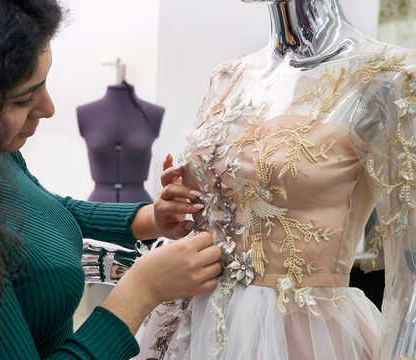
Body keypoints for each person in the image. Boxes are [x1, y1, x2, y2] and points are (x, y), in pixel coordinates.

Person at [0, 0, 222, 359]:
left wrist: (148, 219)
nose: (49, 108)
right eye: (24, 99)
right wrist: (139, 292)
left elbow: (40, 206)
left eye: (44, 83)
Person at [136, 0, 416, 359]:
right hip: (193, 324)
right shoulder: (228, 77)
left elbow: (410, 267)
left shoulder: (390, 75)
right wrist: (179, 205)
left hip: (301, 333)